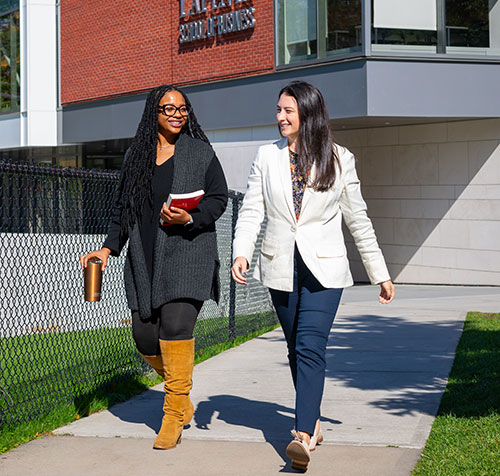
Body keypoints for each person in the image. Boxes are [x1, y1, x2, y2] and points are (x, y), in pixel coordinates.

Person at [231, 80, 394, 471]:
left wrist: (380, 272)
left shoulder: (339, 158)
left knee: (309, 346)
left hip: (325, 269)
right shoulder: (266, 156)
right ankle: (314, 421)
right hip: (280, 266)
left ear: (308, 114)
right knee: (295, 348)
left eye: (288, 110)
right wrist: (241, 252)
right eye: (278, 110)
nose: (280, 117)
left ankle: (302, 435)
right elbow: (252, 209)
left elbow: (358, 218)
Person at [80, 84, 228, 450]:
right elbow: (122, 208)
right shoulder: (136, 155)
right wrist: (107, 248)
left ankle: (172, 415)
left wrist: (190, 217)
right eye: (169, 109)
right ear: (154, 113)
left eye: (183, 109)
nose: (178, 115)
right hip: (144, 259)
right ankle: (181, 394)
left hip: (188, 254)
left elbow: (218, 198)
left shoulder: (200, 152)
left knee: (175, 327)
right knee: (145, 337)